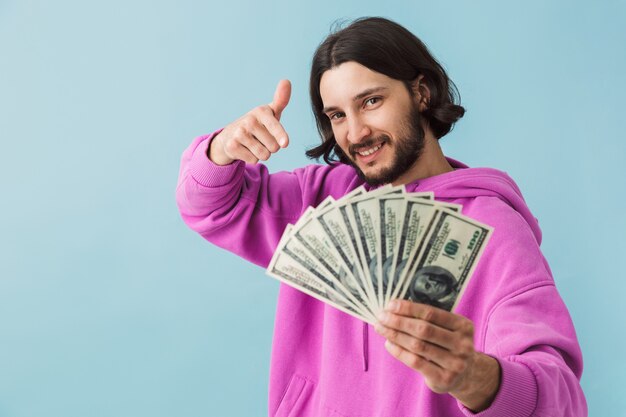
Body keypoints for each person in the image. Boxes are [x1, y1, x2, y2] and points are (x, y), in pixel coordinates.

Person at [176, 17, 587, 417]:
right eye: (337, 115)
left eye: (371, 101)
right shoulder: (318, 200)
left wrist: (477, 380)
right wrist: (222, 149)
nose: (355, 133)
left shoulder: (495, 230)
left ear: (421, 93)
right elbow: (211, 204)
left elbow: (561, 399)